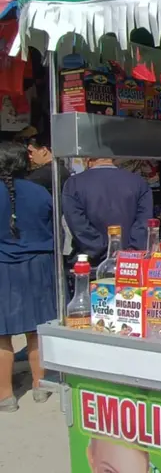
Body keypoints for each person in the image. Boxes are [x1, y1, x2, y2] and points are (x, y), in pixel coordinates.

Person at [0, 141, 57, 412]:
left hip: (2, 267)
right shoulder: (41, 192)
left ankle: (6, 396)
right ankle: (39, 385)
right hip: (39, 266)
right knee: (37, 332)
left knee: (1, 336)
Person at [62, 158, 153, 263]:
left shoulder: (73, 184)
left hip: (90, 262)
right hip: (130, 262)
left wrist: (103, 250)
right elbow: (143, 223)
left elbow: (77, 224)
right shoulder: (139, 183)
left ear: (87, 159)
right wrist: (130, 252)